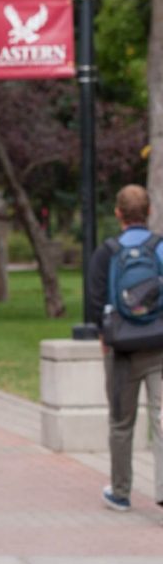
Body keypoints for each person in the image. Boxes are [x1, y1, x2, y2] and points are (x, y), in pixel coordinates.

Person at [87, 183, 163, 512]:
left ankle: (120, 491)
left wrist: (106, 341)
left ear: (118, 213)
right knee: (162, 420)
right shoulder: (160, 248)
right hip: (160, 345)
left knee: (121, 422)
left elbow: (94, 305)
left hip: (121, 350)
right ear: (149, 212)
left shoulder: (107, 251)